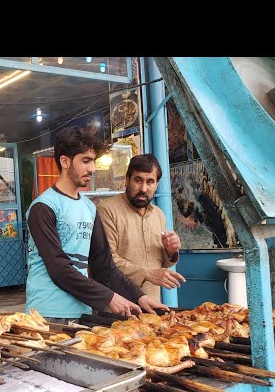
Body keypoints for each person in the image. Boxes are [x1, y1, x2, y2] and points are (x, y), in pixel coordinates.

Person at [25, 126, 168, 321]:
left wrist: (139, 297)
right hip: (47, 315)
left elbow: (104, 266)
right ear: (65, 161)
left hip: (81, 312)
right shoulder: (43, 207)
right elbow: (59, 268)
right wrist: (109, 298)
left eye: (93, 161)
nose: (92, 168)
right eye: (85, 161)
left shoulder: (89, 208)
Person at [97, 154, 185, 303]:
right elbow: (107, 261)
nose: (143, 188)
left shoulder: (158, 215)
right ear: (127, 180)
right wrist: (148, 274)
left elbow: (162, 263)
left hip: (152, 307)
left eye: (150, 182)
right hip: (118, 306)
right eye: (138, 180)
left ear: (156, 185)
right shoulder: (107, 210)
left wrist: (171, 252)